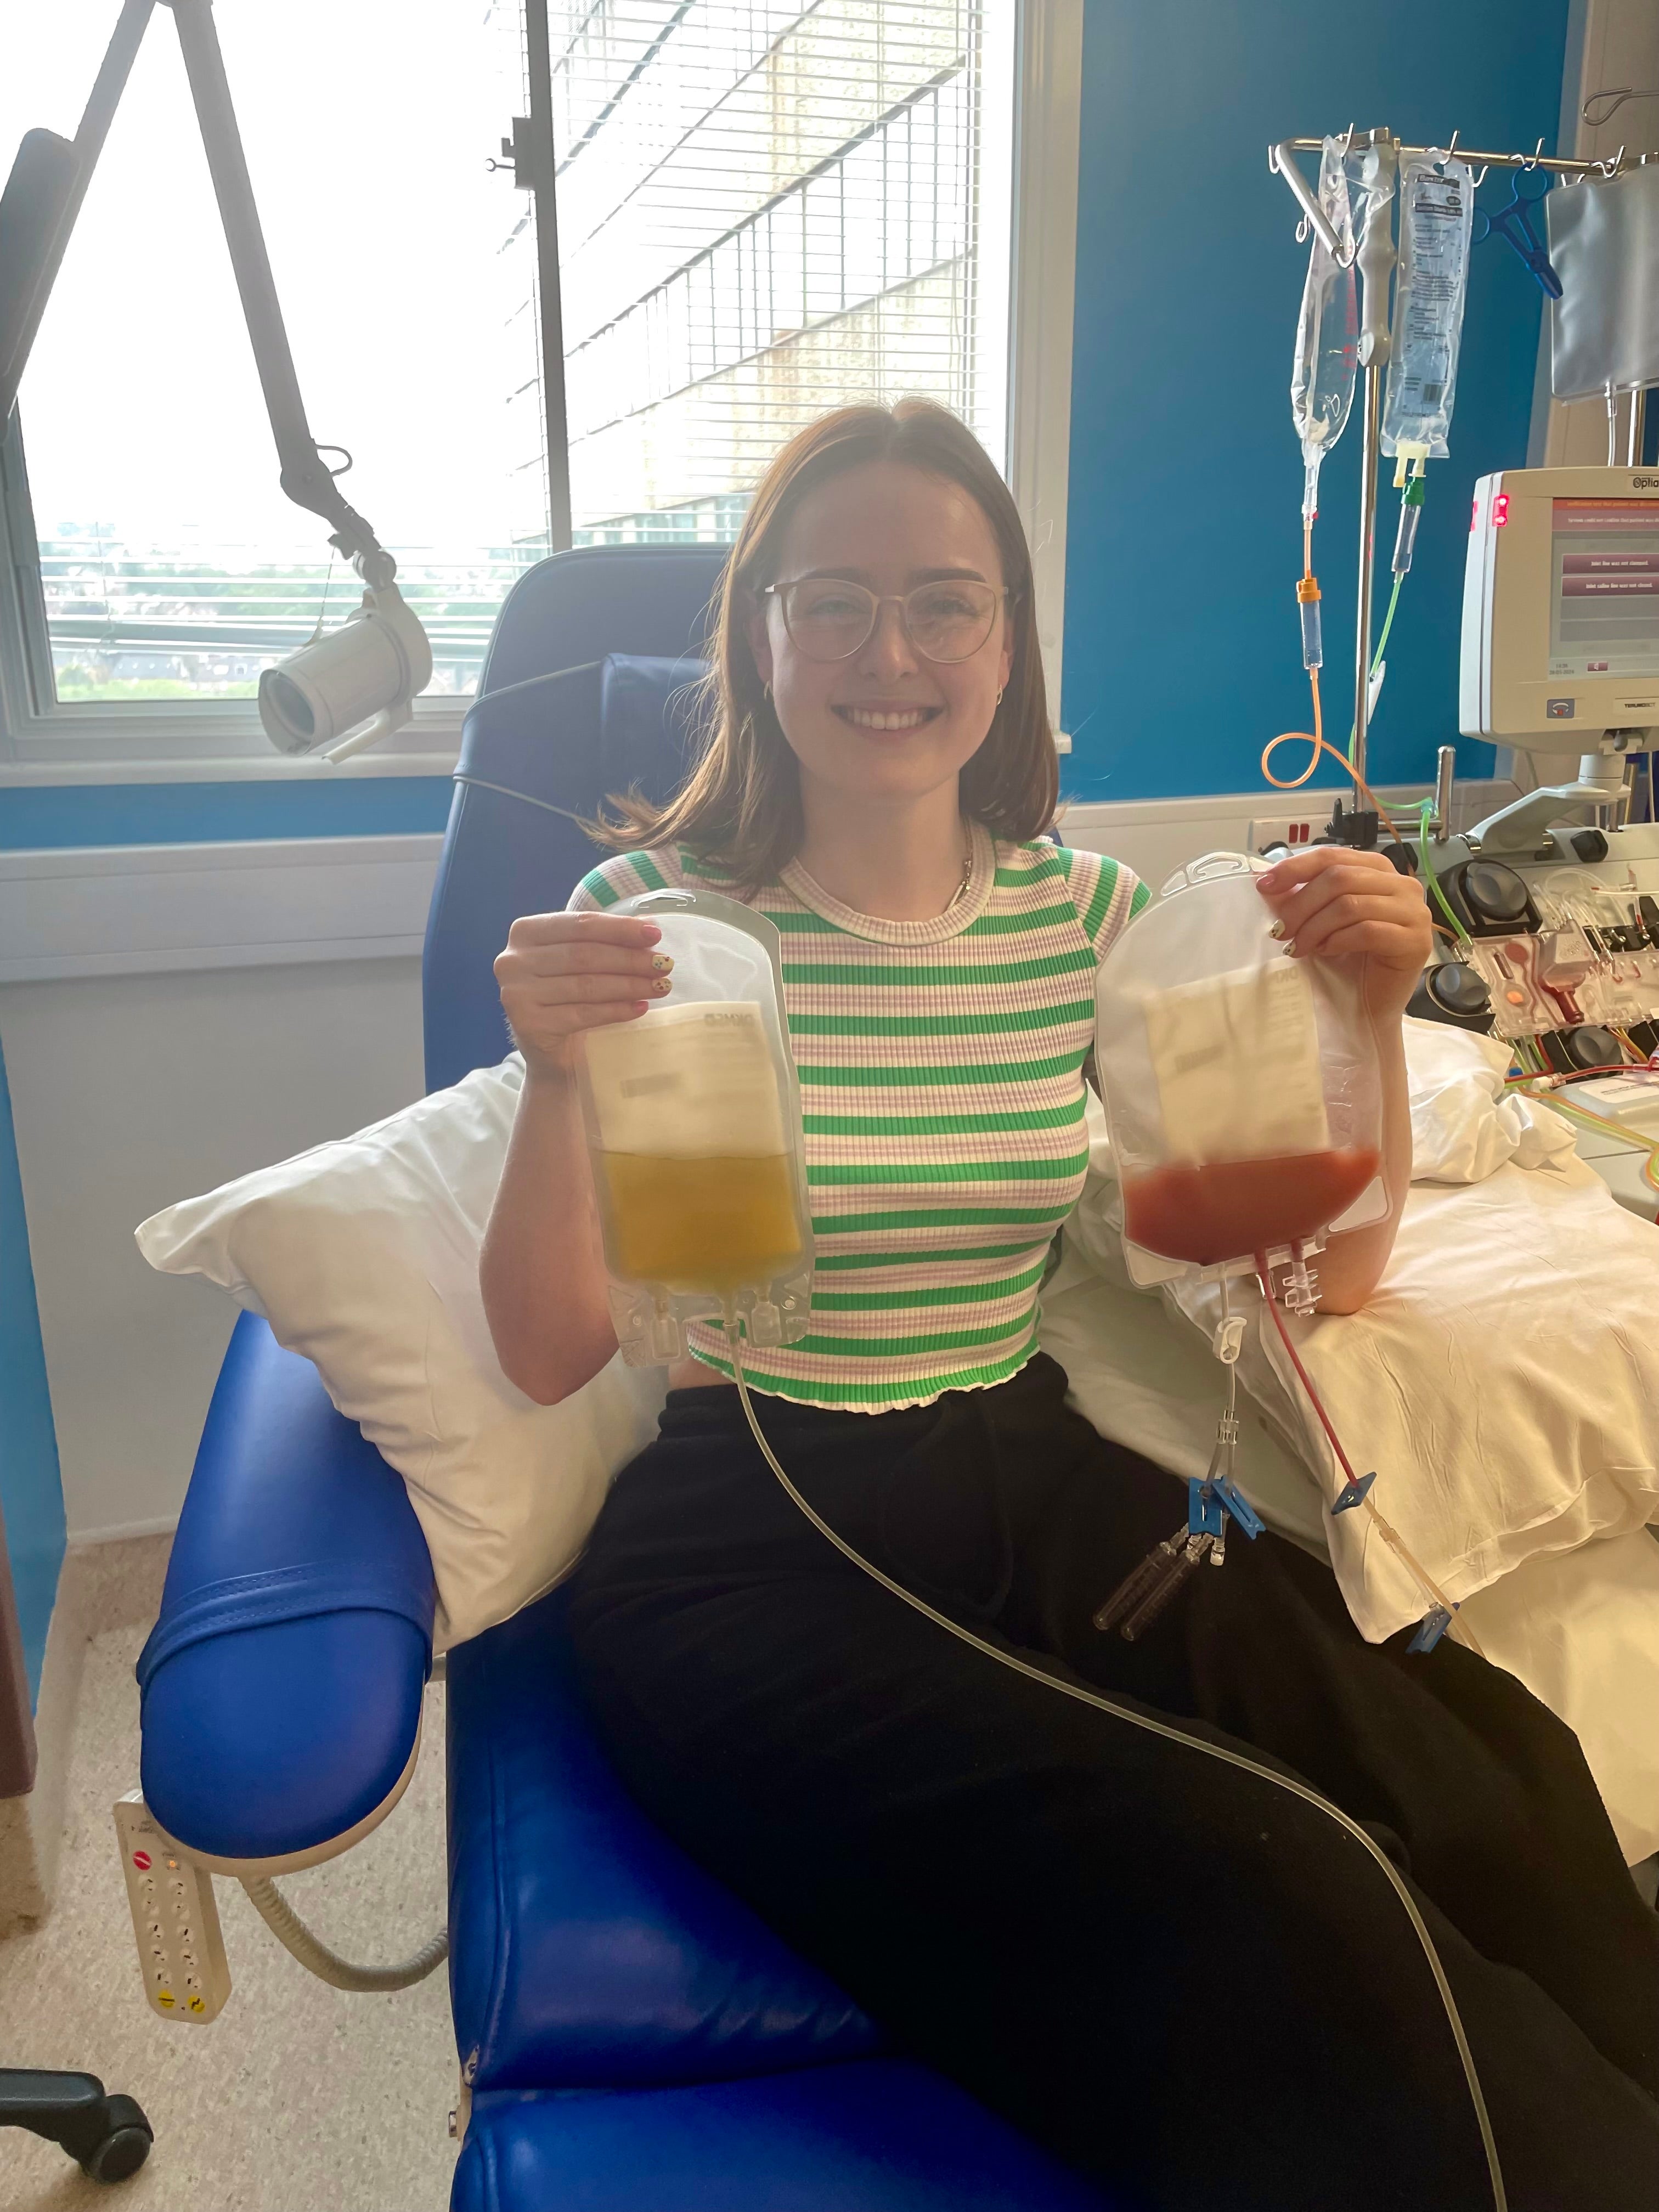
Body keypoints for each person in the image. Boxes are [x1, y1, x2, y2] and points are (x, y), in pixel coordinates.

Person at [482, 400, 1659, 2210]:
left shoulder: (1093, 923)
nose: (894, 654)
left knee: (1487, 1771)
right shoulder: (655, 927)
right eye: (838, 603)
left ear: (1011, 642)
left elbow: (1318, 1269)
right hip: (757, 1533)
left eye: (947, 604)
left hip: (1034, 1472)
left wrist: (1363, 1012)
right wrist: (559, 1084)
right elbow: (555, 1348)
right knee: (1281, 1887)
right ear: (762, 633)